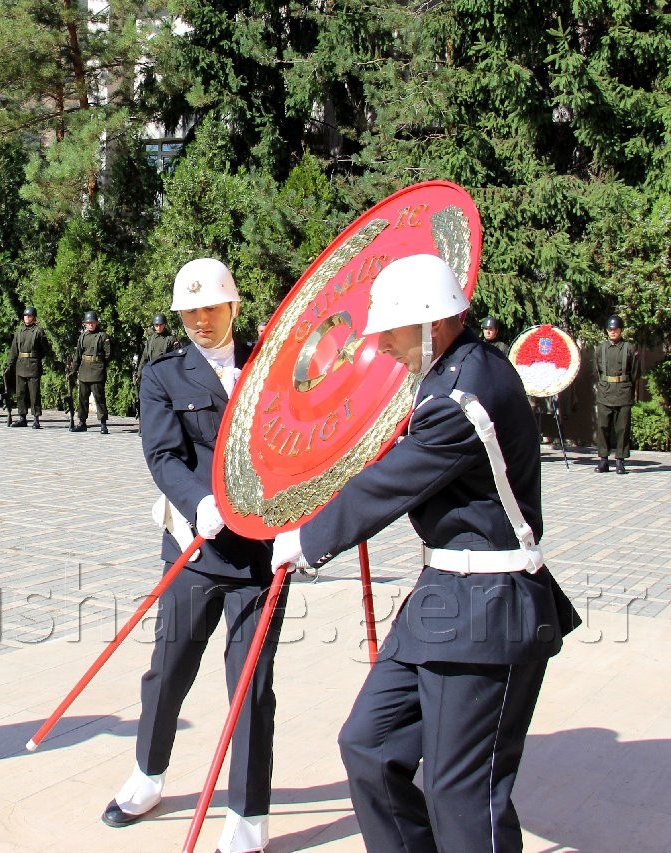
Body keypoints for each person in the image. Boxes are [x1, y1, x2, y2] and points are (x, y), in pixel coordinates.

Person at [271, 253, 581, 853]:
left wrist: (305, 540)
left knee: (461, 794)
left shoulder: (465, 396)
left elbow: (390, 484)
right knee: (368, 745)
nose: (381, 346)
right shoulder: (453, 372)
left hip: (490, 607)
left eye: (389, 331)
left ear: (431, 324)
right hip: (442, 597)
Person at [100, 259, 279, 853]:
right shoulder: (164, 375)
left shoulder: (271, 363)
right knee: (168, 670)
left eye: (210, 308)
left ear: (234, 307)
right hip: (195, 549)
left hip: (263, 558)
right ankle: (148, 777)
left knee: (250, 687)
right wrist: (199, 503)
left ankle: (248, 816)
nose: (200, 320)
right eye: (189, 312)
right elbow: (163, 454)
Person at [593, 315, 640, 474]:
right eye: (610, 329)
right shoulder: (600, 349)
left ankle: (620, 460)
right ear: (607, 331)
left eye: (616, 329)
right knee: (603, 427)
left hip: (623, 392)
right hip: (605, 392)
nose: (613, 332)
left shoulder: (629, 348)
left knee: (622, 428)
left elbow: (635, 373)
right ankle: (603, 460)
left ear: (621, 330)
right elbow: (596, 372)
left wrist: (628, 389)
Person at [6, 306, 51, 429]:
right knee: (20, 393)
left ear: (34, 318)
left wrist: (35, 358)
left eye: (29, 316)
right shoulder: (19, 331)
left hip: (33, 365)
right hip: (21, 365)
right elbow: (14, 350)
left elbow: (45, 349)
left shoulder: (38, 331)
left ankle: (36, 418)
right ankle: (22, 417)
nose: (27, 318)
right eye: (25, 316)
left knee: (34, 393)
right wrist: (10, 364)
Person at [70, 310, 112, 433]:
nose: (90, 325)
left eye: (92, 322)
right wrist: (74, 370)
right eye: (88, 323)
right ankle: (82, 422)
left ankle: (103, 423)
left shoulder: (103, 336)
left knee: (99, 398)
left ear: (96, 323)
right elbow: (77, 355)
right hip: (84, 370)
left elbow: (108, 354)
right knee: (82, 398)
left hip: (97, 371)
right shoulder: (82, 336)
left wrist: (101, 365)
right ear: (85, 324)